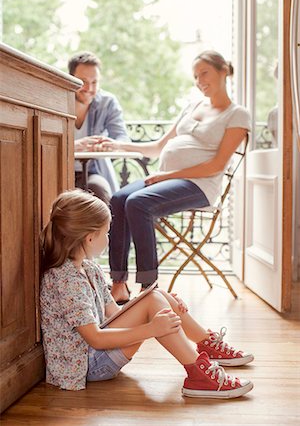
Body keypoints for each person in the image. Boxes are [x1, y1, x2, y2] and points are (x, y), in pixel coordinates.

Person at [40, 189, 254, 399]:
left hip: (94, 356)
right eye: (106, 233)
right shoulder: (65, 280)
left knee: (157, 295)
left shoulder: (89, 269)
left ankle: (206, 345)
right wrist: (150, 329)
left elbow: (115, 314)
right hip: (87, 367)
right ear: (89, 238)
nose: (109, 238)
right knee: (153, 300)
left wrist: (165, 304)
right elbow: (95, 338)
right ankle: (199, 374)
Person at [99, 50, 251, 303]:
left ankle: (149, 288)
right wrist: (117, 145)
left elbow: (216, 165)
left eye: (205, 73)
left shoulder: (237, 114)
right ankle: (119, 283)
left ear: (223, 71)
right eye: (195, 76)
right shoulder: (192, 107)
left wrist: (167, 175)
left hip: (199, 185)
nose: (200, 80)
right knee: (118, 199)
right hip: (167, 179)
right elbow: (157, 147)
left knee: (137, 203)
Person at [68, 51, 130, 204]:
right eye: (82, 81)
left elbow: (122, 137)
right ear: (70, 78)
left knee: (100, 192)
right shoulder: (57, 100)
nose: (89, 88)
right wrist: (75, 146)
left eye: (94, 82)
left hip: (92, 170)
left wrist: (108, 144)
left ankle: (105, 229)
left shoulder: (107, 102)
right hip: (59, 169)